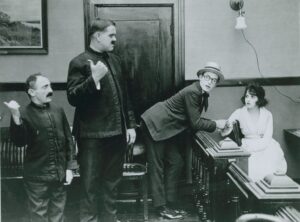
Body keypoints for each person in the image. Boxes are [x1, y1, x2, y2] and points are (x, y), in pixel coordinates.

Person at [67, 19, 136, 222]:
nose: (115, 39)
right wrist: (93, 79)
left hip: (117, 134)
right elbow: (72, 97)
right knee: (90, 185)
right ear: (97, 36)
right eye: (111, 35)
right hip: (91, 137)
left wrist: (130, 125)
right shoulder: (79, 62)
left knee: (112, 184)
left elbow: (126, 96)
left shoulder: (115, 60)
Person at [141, 61, 227, 219]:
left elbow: (192, 119)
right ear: (200, 76)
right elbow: (195, 122)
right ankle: (161, 207)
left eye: (214, 80)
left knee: (177, 162)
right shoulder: (193, 92)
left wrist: (215, 124)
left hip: (166, 128)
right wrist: (216, 124)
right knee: (157, 166)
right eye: (207, 77)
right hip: (154, 124)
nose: (210, 82)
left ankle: (170, 202)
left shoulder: (201, 93)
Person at [4, 73, 78, 222]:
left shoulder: (58, 110)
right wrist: (15, 117)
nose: (50, 90)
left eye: (50, 85)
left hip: (59, 174)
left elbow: (68, 140)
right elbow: (19, 141)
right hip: (36, 177)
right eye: (45, 87)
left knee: (58, 215)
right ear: (32, 92)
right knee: (39, 216)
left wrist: (70, 167)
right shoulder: (23, 113)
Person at [221, 83, 287, 181]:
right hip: (247, 145)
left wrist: (257, 148)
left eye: (252, 97)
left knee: (270, 159)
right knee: (251, 163)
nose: (248, 99)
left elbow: (267, 137)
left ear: (259, 99)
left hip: (266, 145)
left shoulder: (267, 114)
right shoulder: (239, 112)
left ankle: (268, 188)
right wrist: (227, 126)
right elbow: (224, 132)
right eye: (247, 96)